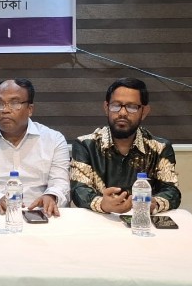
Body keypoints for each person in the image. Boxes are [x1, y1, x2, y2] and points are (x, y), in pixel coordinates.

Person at [70, 77, 181, 214]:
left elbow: (172, 191)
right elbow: (78, 189)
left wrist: (155, 203)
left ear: (144, 111)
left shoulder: (160, 148)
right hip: (101, 219)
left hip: (141, 219)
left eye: (132, 107)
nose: (122, 113)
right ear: (106, 108)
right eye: (116, 105)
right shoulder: (85, 145)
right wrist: (102, 204)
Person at [0, 78, 69, 217]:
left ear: (30, 109)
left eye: (14, 103)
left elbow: (60, 182)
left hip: (41, 214)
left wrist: (51, 196)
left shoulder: (54, 140)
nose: (5, 110)